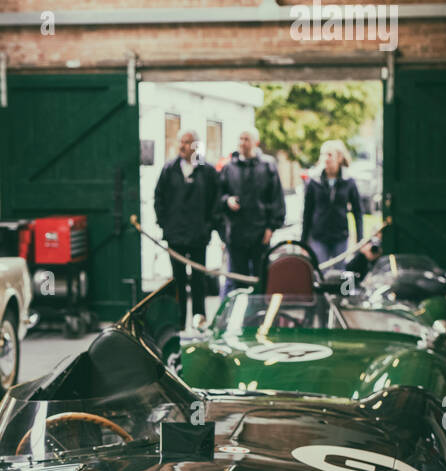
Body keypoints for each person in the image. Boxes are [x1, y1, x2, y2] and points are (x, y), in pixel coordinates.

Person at [153, 129, 219, 325]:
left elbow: (215, 201)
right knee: (177, 281)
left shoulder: (207, 171)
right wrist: (164, 224)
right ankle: (179, 321)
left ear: (196, 145)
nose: (182, 146)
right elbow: (159, 199)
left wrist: (209, 227)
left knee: (199, 281)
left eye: (187, 142)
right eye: (180, 141)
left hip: (198, 235)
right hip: (175, 236)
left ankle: (199, 321)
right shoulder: (169, 169)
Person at [219, 128, 285, 291]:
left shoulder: (268, 167)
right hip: (236, 234)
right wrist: (227, 200)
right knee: (237, 281)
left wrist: (271, 227)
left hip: (260, 233)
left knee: (261, 278)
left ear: (255, 142)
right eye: (240, 138)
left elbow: (276, 199)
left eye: (246, 139)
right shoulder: (229, 168)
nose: (242, 143)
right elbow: (218, 197)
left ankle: (260, 315)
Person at [301, 139, 364, 268]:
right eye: (323, 154)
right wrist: (303, 242)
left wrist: (360, 240)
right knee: (320, 273)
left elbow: (358, 211)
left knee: (341, 277)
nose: (325, 158)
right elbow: (307, 213)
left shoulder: (349, 181)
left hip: (340, 237)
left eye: (329, 154)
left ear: (339, 158)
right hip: (319, 237)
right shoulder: (313, 182)